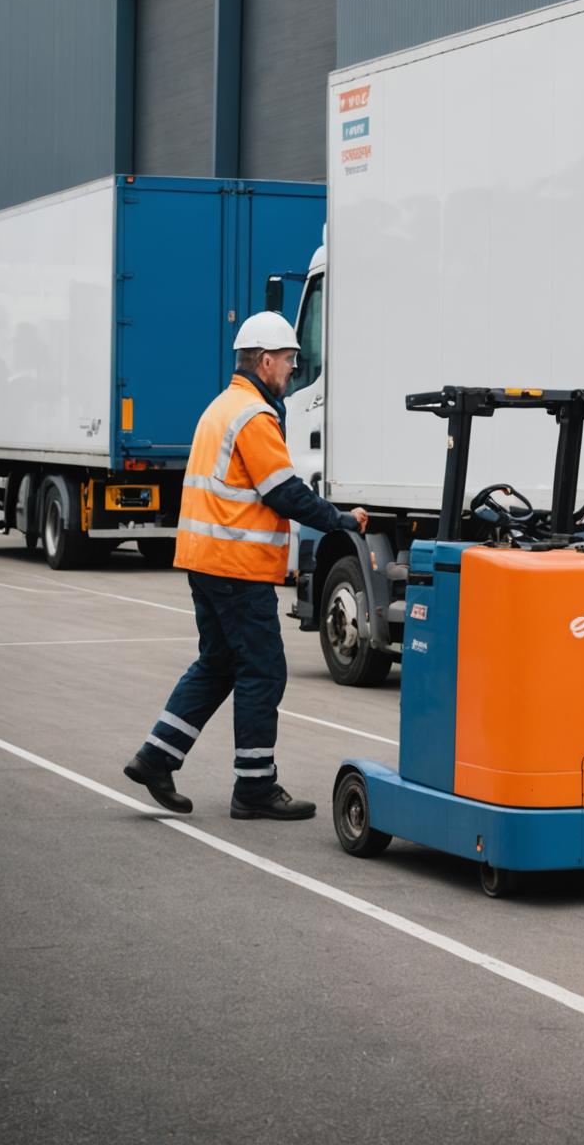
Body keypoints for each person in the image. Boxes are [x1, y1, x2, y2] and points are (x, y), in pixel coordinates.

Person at [123, 311, 368, 820]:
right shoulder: (255, 416)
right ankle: (255, 787)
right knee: (264, 670)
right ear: (264, 360)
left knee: (217, 664)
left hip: (206, 562)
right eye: (289, 360)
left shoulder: (222, 407)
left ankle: (155, 758)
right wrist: (339, 518)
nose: (293, 370)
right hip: (237, 567)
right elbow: (284, 492)